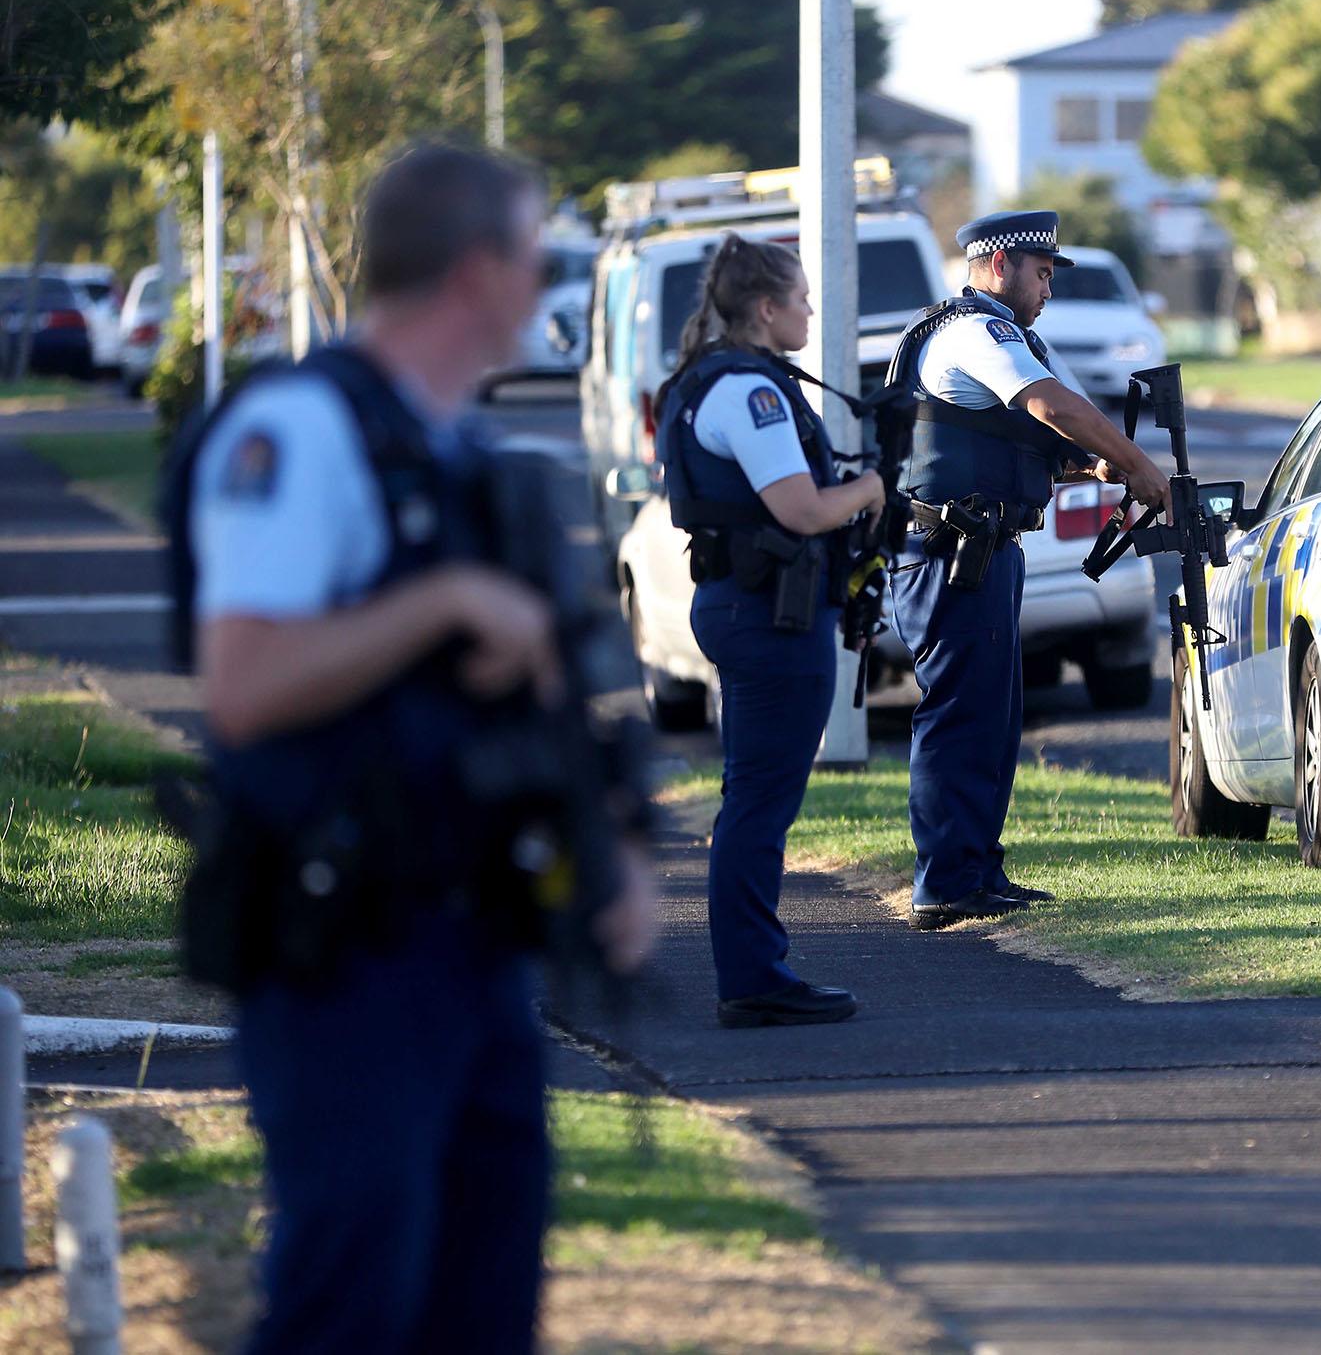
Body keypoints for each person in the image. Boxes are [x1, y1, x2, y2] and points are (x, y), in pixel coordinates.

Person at [177, 141, 658, 1351]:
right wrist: (440, 608)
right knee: (351, 1303)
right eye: (539, 256)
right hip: (346, 948)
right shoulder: (300, 430)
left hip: (475, 943)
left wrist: (611, 857)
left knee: (480, 1305)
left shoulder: (457, 453)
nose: (545, 284)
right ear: (479, 269)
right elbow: (243, 683)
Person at [884, 210, 1171, 930]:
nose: (1048, 289)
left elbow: (1017, 431)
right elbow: (1050, 404)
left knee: (992, 718)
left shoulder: (997, 334)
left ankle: (975, 869)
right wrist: (1136, 464)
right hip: (955, 556)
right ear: (1000, 263)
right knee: (959, 718)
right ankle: (944, 880)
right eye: (1042, 273)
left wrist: (1092, 461)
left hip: (982, 552)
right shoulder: (977, 332)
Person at [654, 233, 881, 1027]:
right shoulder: (749, 391)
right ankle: (753, 977)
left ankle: (754, 969)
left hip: (745, 605)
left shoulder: (705, 381)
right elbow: (802, 509)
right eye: (803, 297)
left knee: (751, 799)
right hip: (770, 615)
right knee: (758, 803)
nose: (811, 309)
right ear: (765, 307)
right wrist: (871, 488)